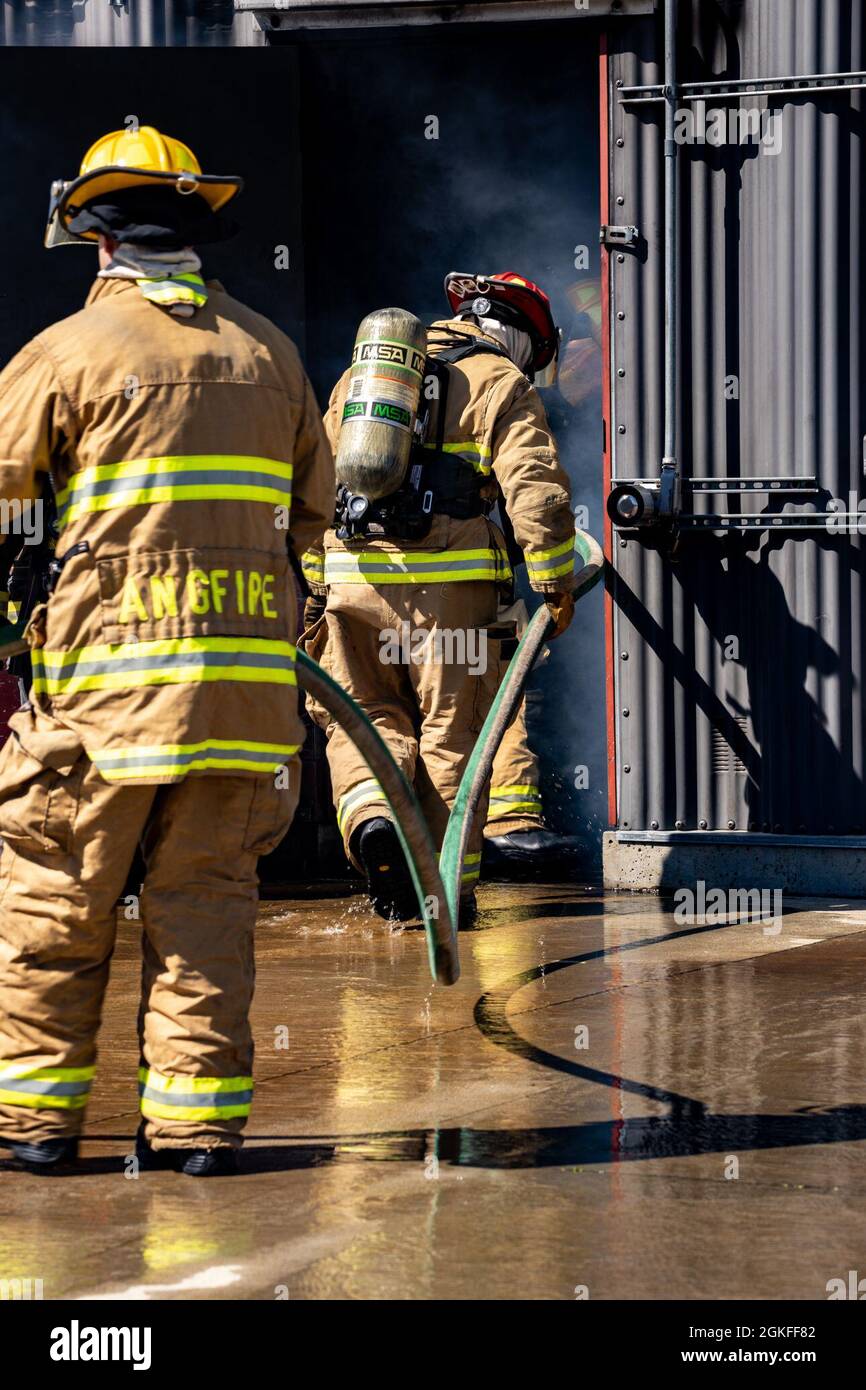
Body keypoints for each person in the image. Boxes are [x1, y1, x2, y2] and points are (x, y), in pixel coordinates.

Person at [0, 125, 334, 1174]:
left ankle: (37, 1126)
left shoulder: (65, 356)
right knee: (206, 919)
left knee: (55, 906)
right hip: (241, 711)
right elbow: (316, 530)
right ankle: (196, 1131)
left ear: (98, 242)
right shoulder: (270, 354)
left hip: (99, 707)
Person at [301, 271, 576, 923]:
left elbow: (316, 490)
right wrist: (554, 582)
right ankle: (444, 892)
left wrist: (319, 586)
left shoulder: (360, 380)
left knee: (363, 717)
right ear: (521, 338)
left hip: (353, 581)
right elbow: (536, 491)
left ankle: (372, 822)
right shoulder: (499, 381)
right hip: (448, 595)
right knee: (455, 735)